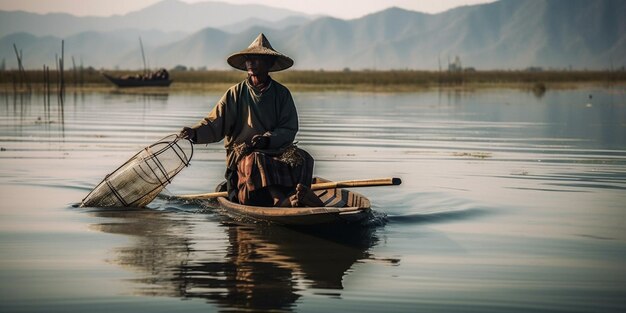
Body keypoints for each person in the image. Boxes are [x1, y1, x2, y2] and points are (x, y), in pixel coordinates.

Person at [180, 33, 323, 207]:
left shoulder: (282, 94)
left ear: (269, 64)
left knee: (303, 157)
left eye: (257, 59)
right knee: (256, 158)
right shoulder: (235, 93)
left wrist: (267, 139)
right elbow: (214, 122)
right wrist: (194, 132)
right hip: (244, 154)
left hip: (276, 151)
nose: (251, 63)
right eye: (249, 59)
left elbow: (288, 128)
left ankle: (299, 194)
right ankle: (279, 199)